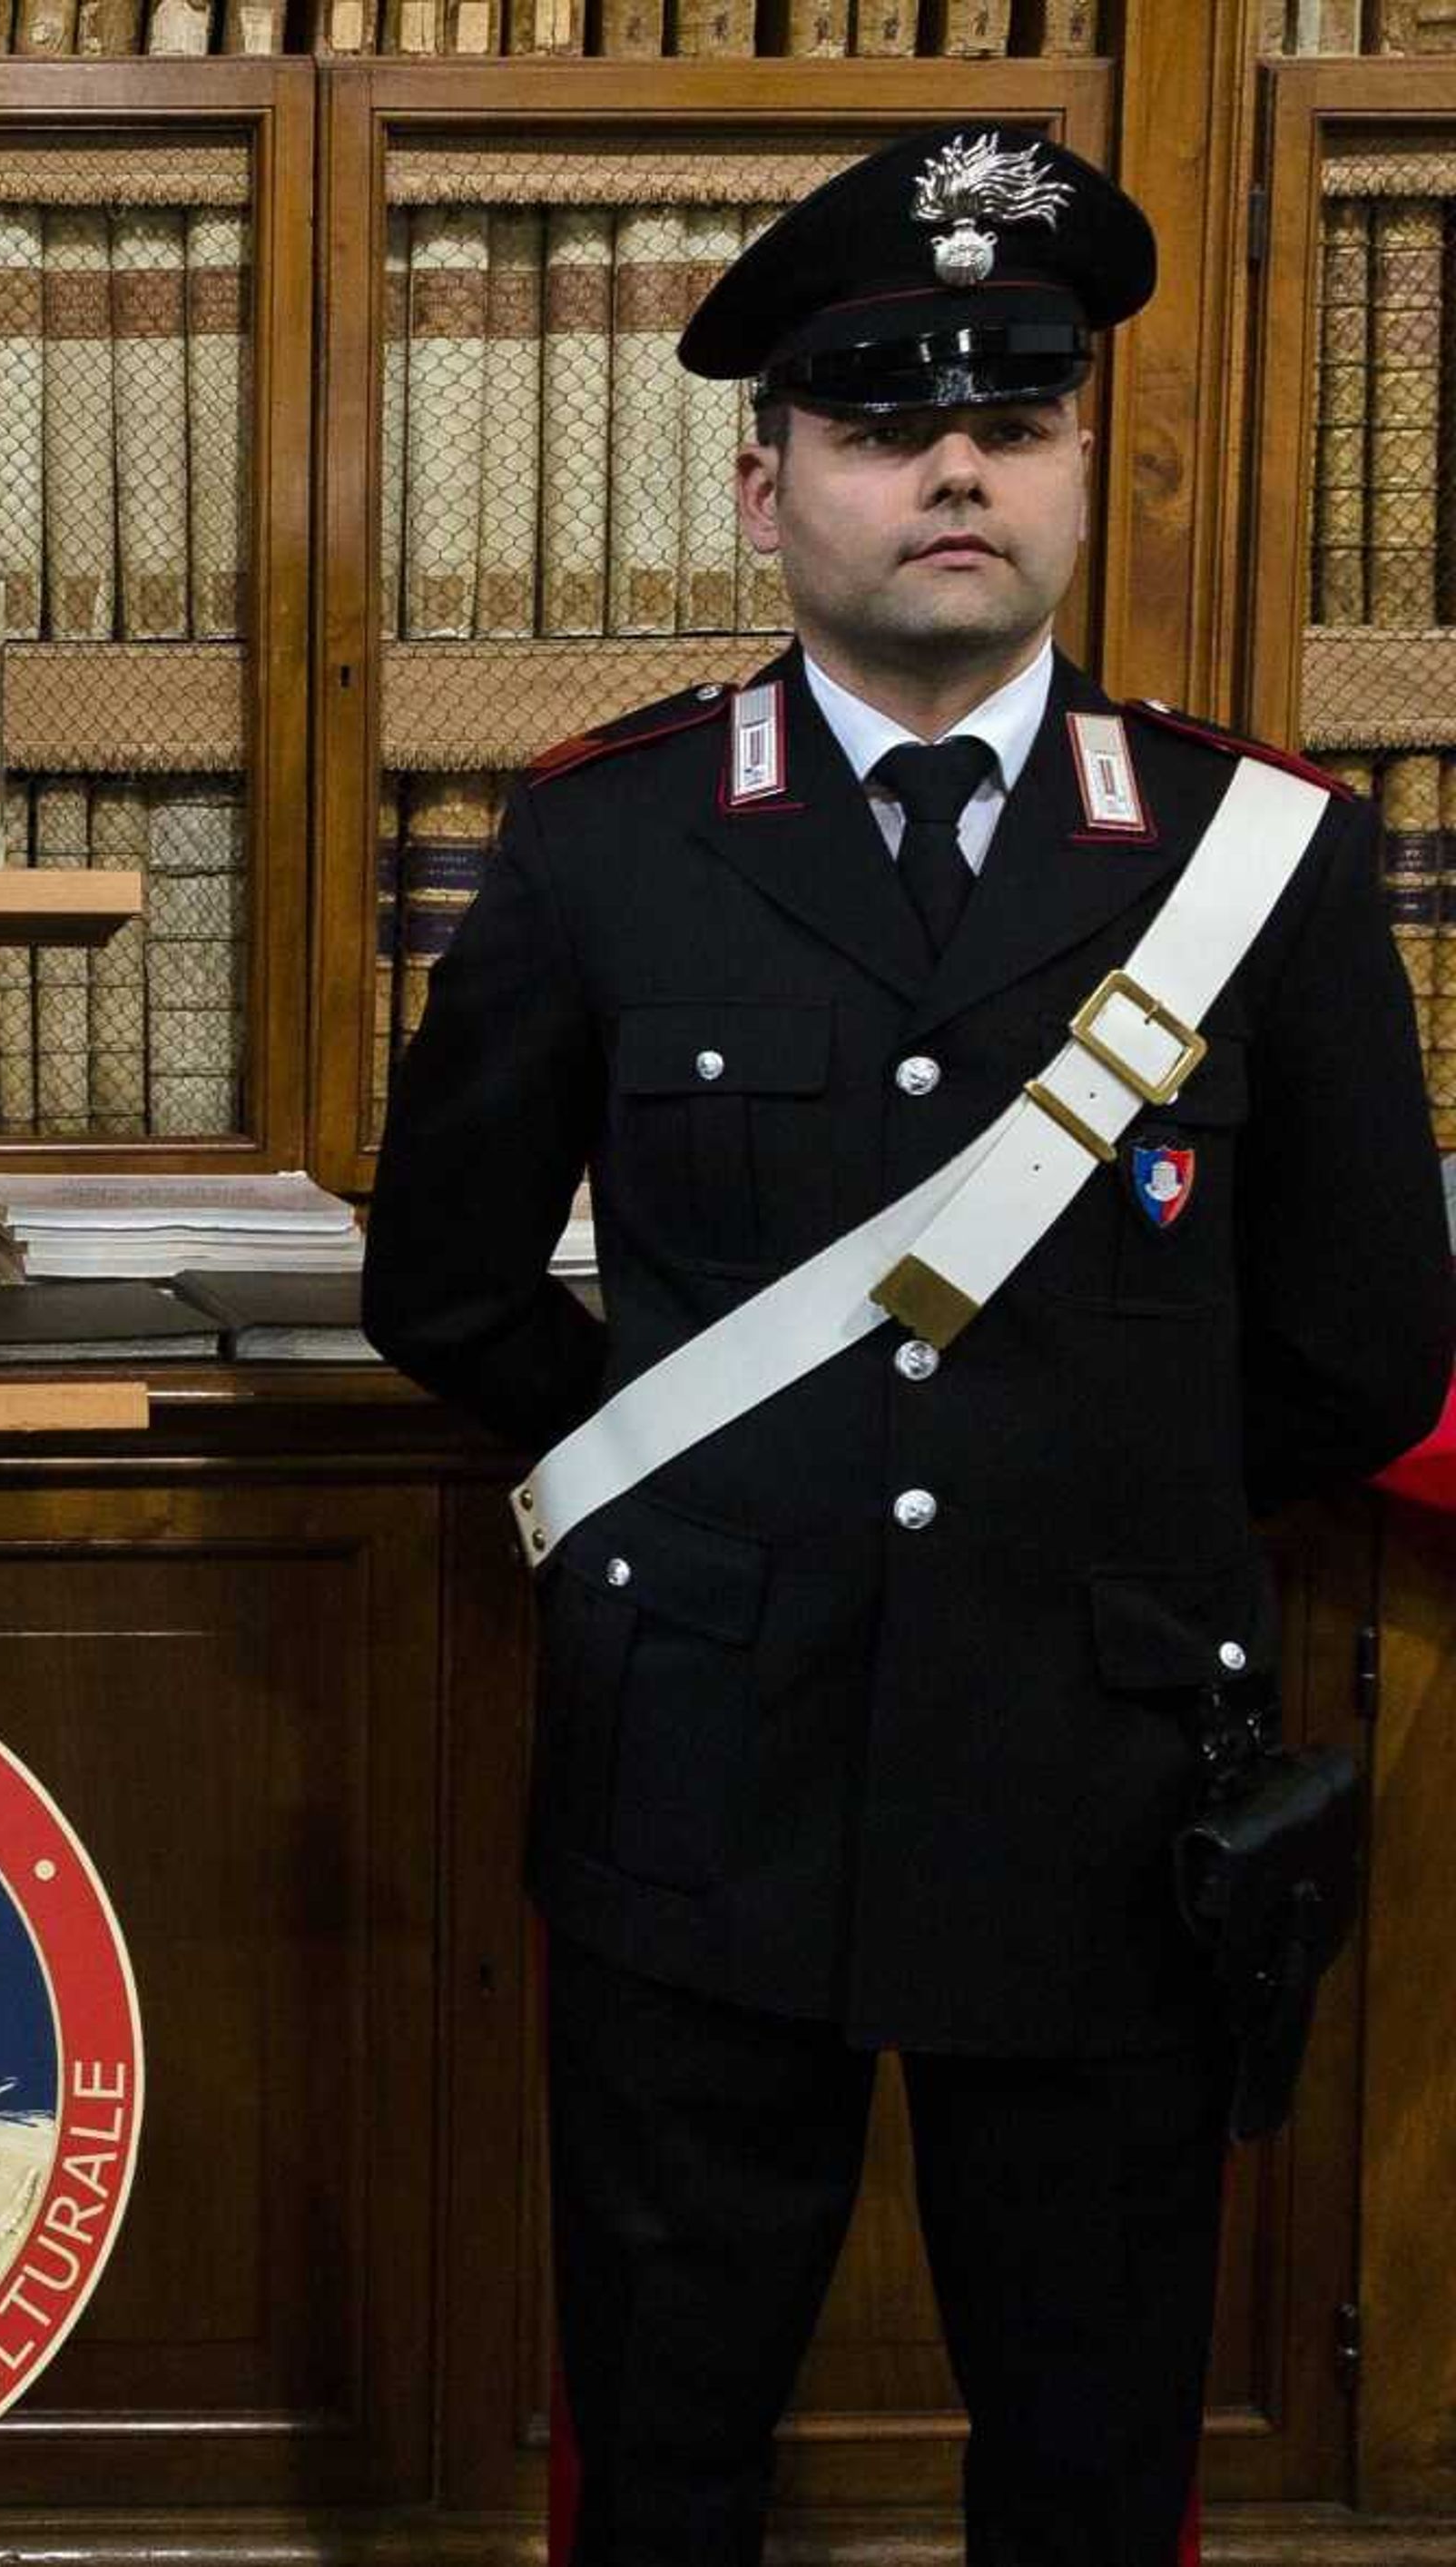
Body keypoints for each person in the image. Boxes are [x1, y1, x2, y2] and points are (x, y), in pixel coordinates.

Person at [362, 129, 1451, 2567]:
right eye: (877, 412)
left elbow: (1365, 1347)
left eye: (1021, 402)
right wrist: (695, 1495)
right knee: (663, 2439)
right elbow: (439, 1284)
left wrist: (1102, 1498)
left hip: (1100, 1774)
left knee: (1089, 2441)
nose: (957, 457)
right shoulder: (605, 844)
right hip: (698, 1772)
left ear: (1085, 461)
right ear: (766, 490)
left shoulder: (1254, 858)